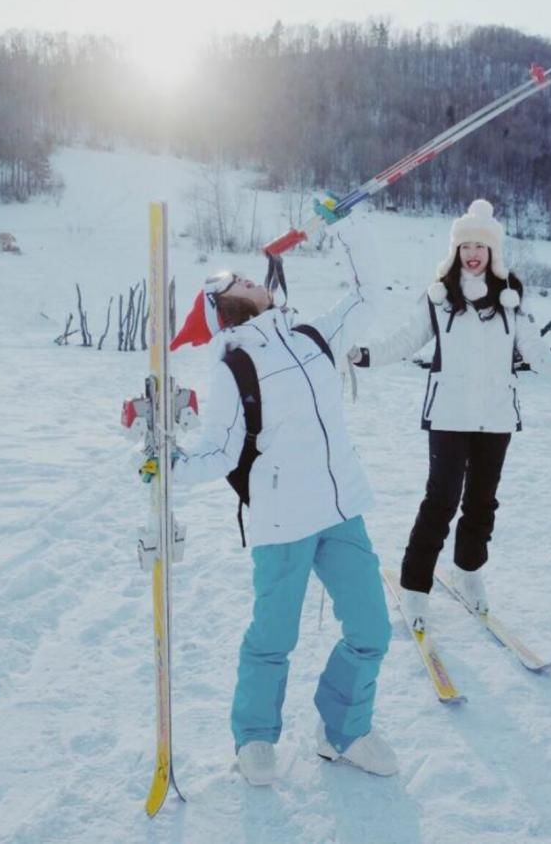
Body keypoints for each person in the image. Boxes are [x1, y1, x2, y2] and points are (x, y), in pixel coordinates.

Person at [155, 264, 396, 787]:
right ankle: (255, 736)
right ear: (225, 304)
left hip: (341, 510)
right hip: (282, 519)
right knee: (272, 637)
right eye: (236, 278)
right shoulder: (233, 369)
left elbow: (368, 294)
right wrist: (165, 465)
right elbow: (219, 453)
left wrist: (344, 229)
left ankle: (343, 731)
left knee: (372, 629)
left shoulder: (310, 336)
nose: (249, 276)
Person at [350, 199, 551, 630]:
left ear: (493, 252)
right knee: (441, 500)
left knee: (481, 502)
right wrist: (364, 355)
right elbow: (405, 341)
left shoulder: (511, 299)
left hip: (496, 416)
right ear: (454, 251)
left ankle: (468, 572)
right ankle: (416, 587)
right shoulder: (438, 297)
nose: (472, 253)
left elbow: (532, 348)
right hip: (449, 415)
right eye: (465, 246)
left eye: (481, 245)